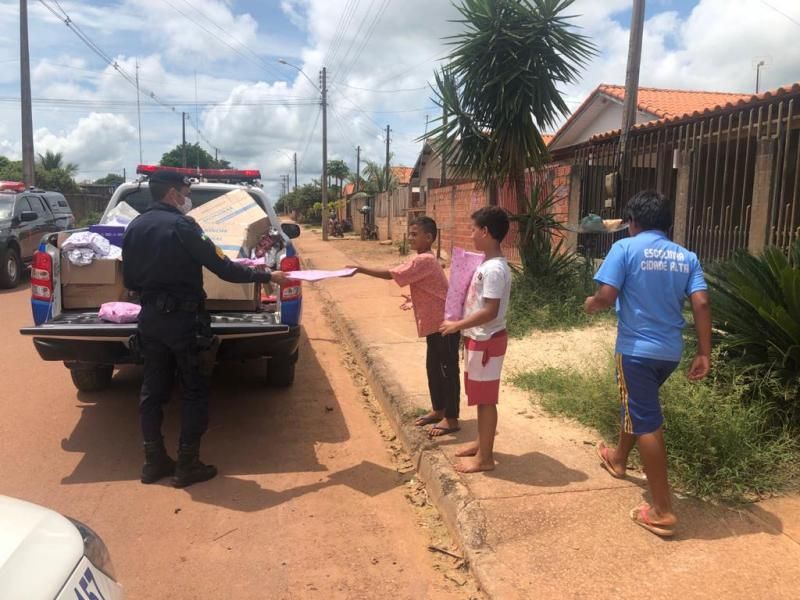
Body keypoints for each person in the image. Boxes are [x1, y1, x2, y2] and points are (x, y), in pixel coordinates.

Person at [122, 170, 287, 488]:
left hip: (150, 321)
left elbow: (129, 281)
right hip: (184, 322)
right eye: (186, 191)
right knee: (193, 390)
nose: (189, 198)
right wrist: (266, 276)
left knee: (152, 392)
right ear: (171, 193)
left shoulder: (135, 226)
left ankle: (153, 461)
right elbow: (223, 268)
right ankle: (187, 464)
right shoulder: (183, 226)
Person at [584, 190, 712, 537]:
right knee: (639, 405)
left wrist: (592, 303)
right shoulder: (687, 256)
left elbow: (607, 296)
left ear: (633, 222)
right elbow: (701, 304)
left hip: (636, 351)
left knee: (647, 422)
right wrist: (704, 352)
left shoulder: (625, 248)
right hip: (670, 353)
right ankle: (618, 458)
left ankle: (662, 510)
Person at [346, 217, 460, 437]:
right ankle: (439, 410)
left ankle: (452, 418)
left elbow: (392, 274)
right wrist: (413, 299)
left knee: (447, 372)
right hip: (434, 325)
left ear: (428, 237)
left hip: (444, 325)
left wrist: (360, 269)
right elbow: (428, 288)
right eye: (411, 233)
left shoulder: (424, 260)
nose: (411, 237)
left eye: (415, 234)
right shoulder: (422, 259)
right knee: (433, 368)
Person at [439, 206, 512, 473]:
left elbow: (490, 310)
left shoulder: (493, 270)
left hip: (486, 340)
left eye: (473, 229)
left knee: (485, 400)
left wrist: (457, 324)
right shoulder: (486, 264)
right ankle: (482, 444)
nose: (470, 234)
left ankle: (485, 458)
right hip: (478, 339)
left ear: (486, 232)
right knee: (479, 396)